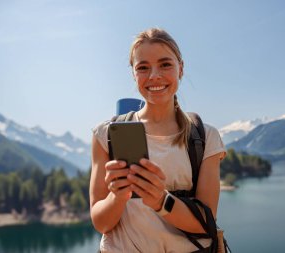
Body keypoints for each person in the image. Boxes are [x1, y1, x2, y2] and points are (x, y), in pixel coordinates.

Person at [90, 28, 226, 253]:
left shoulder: (205, 137)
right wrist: (118, 196)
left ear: (180, 68)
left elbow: (206, 223)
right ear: (134, 74)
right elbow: (101, 223)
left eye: (165, 64)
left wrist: (161, 201)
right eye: (143, 67)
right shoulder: (105, 135)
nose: (154, 76)